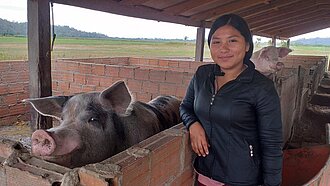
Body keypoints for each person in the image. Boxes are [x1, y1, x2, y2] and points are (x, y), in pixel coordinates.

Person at [179, 14, 283, 186]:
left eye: (232, 41)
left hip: (242, 179)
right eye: (216, 41)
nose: (223, 49)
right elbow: (185, 107)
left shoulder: (261, 87)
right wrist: (193, 125)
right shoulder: (202, 75)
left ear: (247, 45)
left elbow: (271, 144)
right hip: (204, 175)